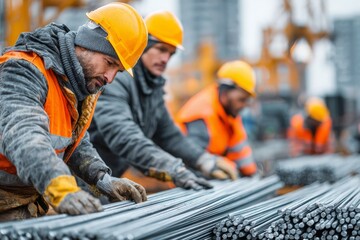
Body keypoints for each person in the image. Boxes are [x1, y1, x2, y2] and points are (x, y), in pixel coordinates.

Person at [0, 3, 148, 221]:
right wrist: (59, 185)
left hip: (22, 199)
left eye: (118, 70)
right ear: (88, 44)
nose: (110, 78)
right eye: (110, 63)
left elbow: (72, 140)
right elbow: (24, 133)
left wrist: (102, 179)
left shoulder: (76, 86)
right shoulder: (24, 69)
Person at [89, 10, 238, 191]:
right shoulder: (118, 79)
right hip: (84, 175)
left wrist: (204, 161)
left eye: (171, 53)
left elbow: (169, 135)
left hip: (106, 178)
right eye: (161, 49)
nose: (165, 59)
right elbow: (123, 135)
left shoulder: (152, 90)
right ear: (143, 46)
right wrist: (172, 168)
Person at [176, 61, 258, 177]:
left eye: (246, 100)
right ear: (224, 93)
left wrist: (253, 176)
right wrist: (225, 169)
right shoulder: (200, 114)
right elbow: (192, 162)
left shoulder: (230, 113)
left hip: (214, 181)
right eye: (241, 99)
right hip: (189, 184)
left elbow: (240, 152)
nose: (244, 105)